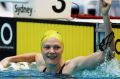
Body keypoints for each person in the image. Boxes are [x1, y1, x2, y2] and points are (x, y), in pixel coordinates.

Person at [0, 0, 114, 75]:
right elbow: (34, 56)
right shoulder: (41, 65)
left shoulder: (71, 67)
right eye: (47, 47)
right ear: (42, 49)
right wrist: (9, 59)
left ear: (63, 49)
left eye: (56, 47)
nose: (51, 51)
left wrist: (105, 15)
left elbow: (108, 55)